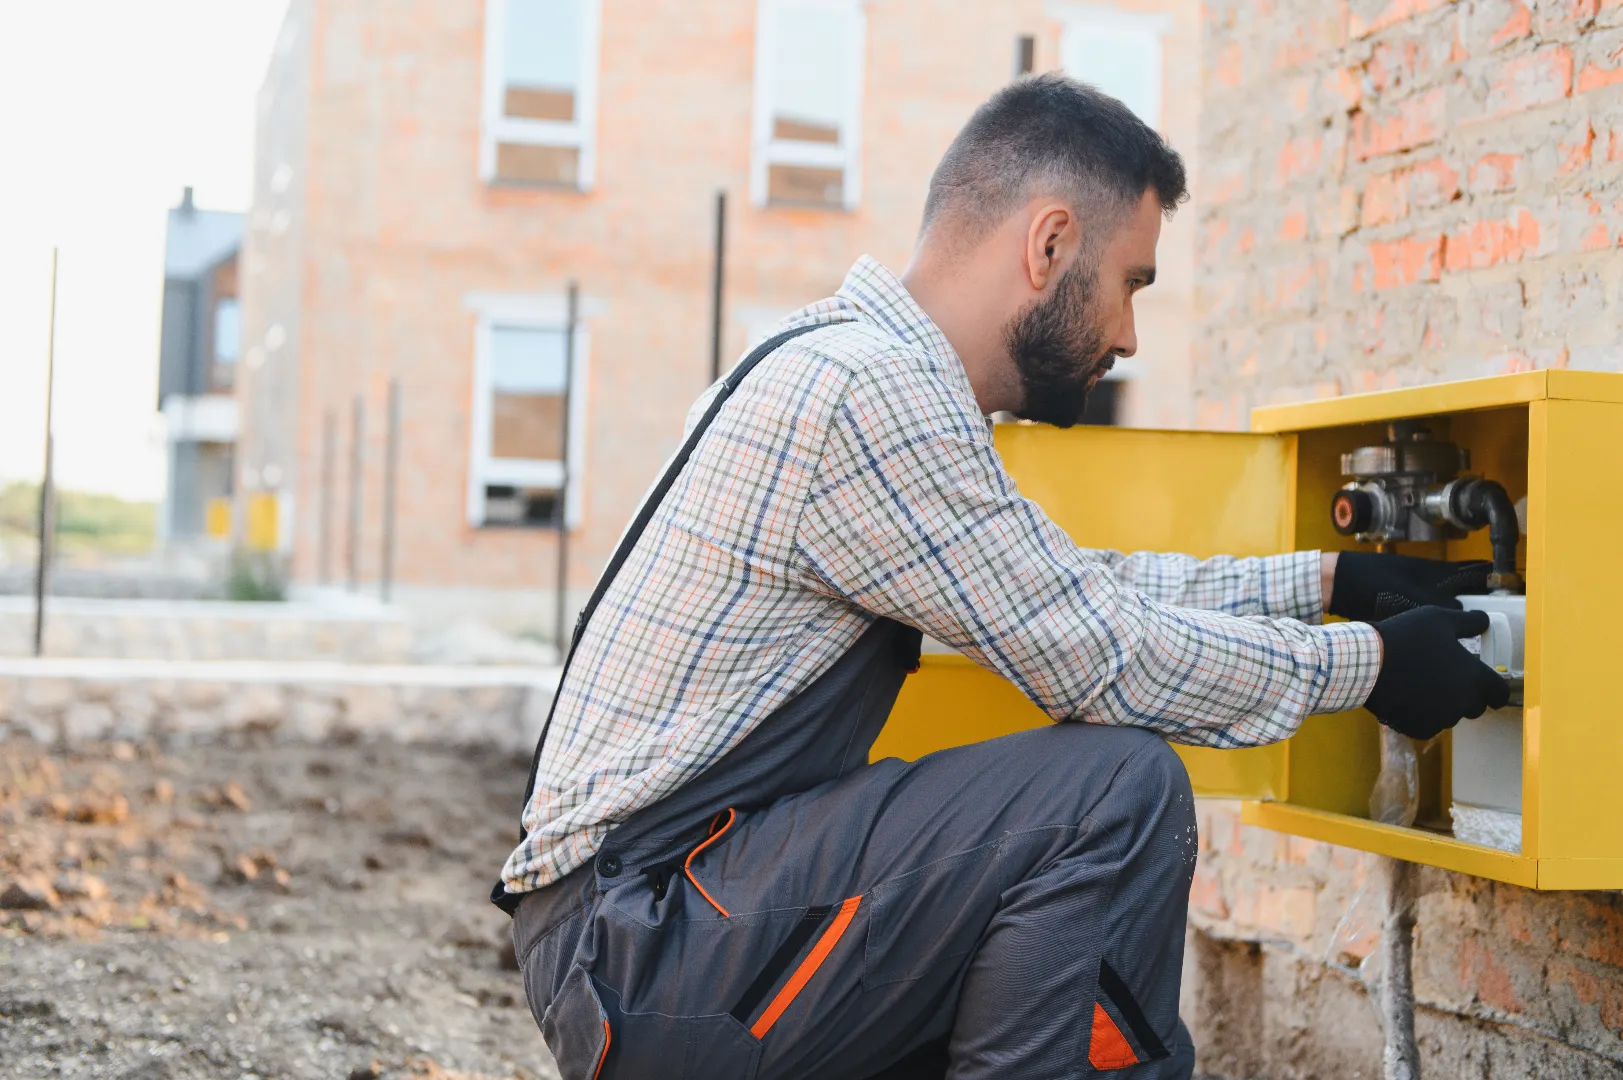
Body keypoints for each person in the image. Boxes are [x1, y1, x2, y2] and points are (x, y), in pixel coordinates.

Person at [492, 73, 1508, 1080]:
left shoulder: (840, 359)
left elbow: (1072, 592)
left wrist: (1329, 584)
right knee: (1113, 791)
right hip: (647, 946)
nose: (1128, 337)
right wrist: (1368, 666)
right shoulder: (867, 397)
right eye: (1131, 285)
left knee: (1058, 860)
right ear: (1051, 244)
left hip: (660, 929)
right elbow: (1105, 659)